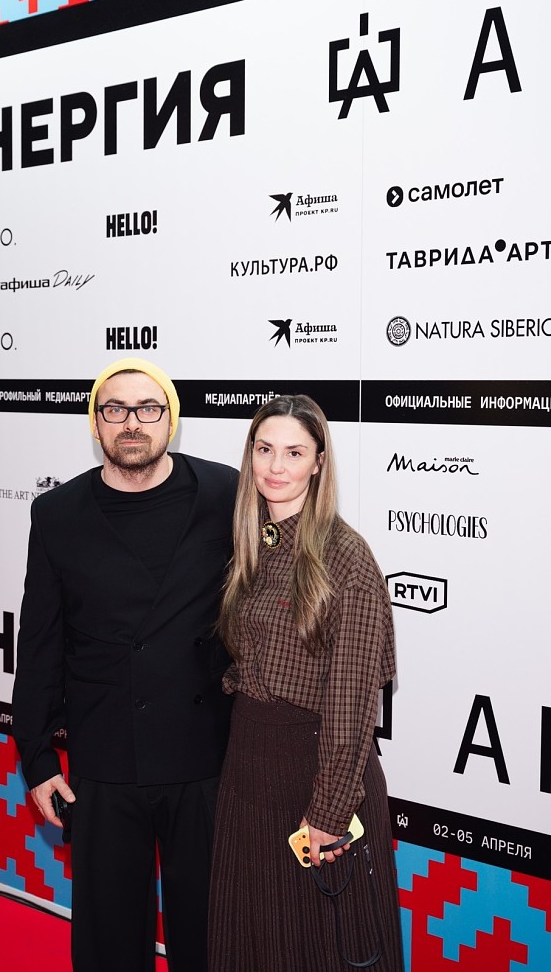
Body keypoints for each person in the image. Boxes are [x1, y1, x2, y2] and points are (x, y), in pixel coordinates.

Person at [11, 358, 238, 972]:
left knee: (211, 937)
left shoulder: (226, 493)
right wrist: (37, 758)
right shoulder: (57, 513)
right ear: (96, 423)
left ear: (171, 419)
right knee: (109, 941)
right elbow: (40, 643)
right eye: (114, 409)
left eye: (147, 408)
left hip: (205, 757)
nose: (131, 422)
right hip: (106, 758)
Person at [208, 394, 403, 972]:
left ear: (319, 462)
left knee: (317, 948)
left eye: (294, 453)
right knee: (250, 939)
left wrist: (329, 812)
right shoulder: (251, 543)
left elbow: (351, 705)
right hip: (249, 769)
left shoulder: (346, 559)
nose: (276, 466)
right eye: (264, 449)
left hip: (315, 773)